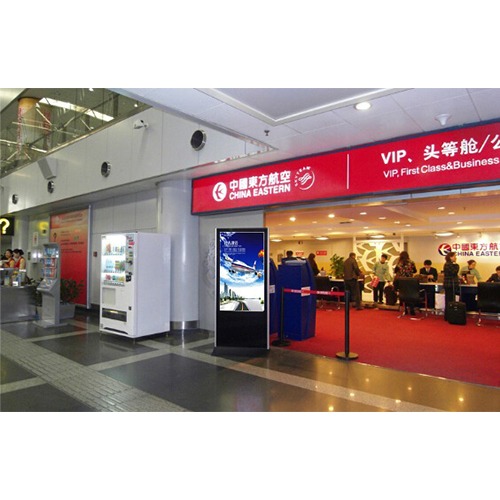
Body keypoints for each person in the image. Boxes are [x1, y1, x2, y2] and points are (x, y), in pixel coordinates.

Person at [394, 250, 418, 315]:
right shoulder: (411, 262)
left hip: (402, 281)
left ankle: (405, 309)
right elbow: (415, 271)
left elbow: (395, 271)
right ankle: (412, 309)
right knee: (410, 295)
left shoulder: (399, 263)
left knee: (403, 295)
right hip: (410, 281)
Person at [443, 251, 460, 321]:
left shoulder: (449, 264)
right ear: (450, 257)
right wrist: (456, 265)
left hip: (451, 284)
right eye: (454, 256)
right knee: (449, 300)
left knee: (450, 299)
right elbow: (454, 272)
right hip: (449, 284)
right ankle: (448, 315)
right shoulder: (448, 264)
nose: (456, 258)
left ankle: (449, 315)